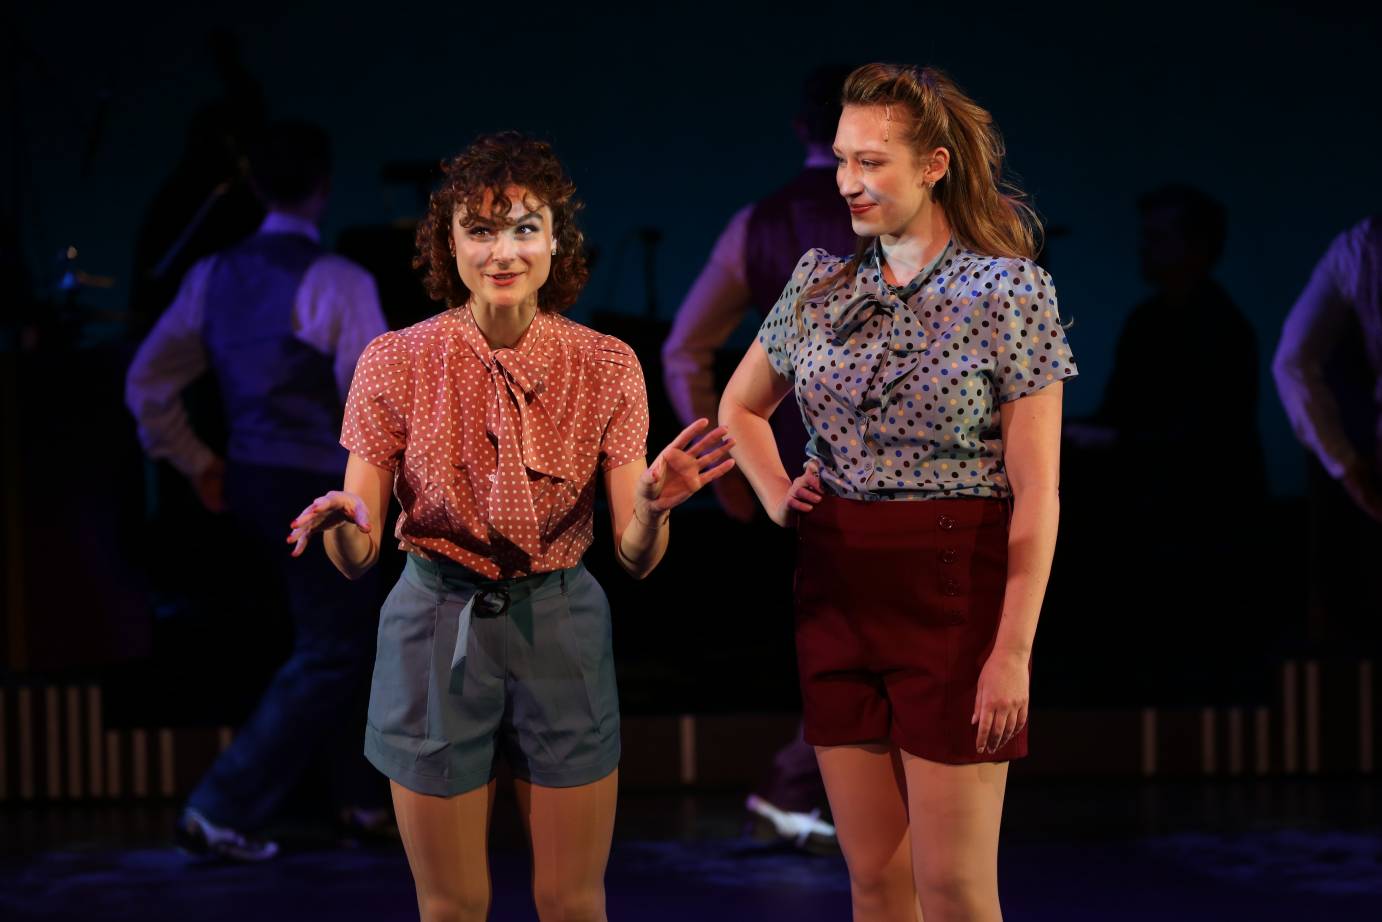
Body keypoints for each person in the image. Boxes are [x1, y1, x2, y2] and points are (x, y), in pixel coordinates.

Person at [286, 132, 733, 922]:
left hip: (559, 621)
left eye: (525, 227)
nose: (504, 250)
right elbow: (358, 554)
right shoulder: (395, 361)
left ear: (556, 240)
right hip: (435, 622)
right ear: (447, 241)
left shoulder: (607, 364)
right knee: (452, 905)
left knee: (570, 901)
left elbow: (637, 558)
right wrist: (340, 523)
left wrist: (655, 509)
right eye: (481, 229)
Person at [720, 63, 1076, 921]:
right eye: (843, 159)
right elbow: (740, 405)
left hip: (954, 585)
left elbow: (1039, 490)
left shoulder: (1008, 290)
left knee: (952, 888)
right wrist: (774, 493)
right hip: (836, 585)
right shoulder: (820, 284)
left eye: (873, 162)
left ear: (935, 165)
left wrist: (1014, 650)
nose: (849, 181)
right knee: (876, 882)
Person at [125, 120, 390, 860]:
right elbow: (367, 404)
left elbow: (146, 383)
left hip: (249, 484)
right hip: (316, 486)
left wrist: (198, 462)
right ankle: (220, 805)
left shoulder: (211, 275)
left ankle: (358, 801)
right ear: (325, 188)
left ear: (252, 187)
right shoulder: (340, 280)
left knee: (340, 634)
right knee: (337, 644)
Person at [662, 64, 857, 852]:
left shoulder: (760, 221)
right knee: (858, 637)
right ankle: (795, 785)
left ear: (800, 129)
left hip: (795, 469)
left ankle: (807, 788)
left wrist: (738, 468)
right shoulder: (913, 214)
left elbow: (685, 352)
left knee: (846, 632)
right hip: (876, 470)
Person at [1273, 215, 1382, 650]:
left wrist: (1346, 465)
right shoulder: (1360, 248)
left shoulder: (1362, 246)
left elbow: (1292, 363)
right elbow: (1293, 364)